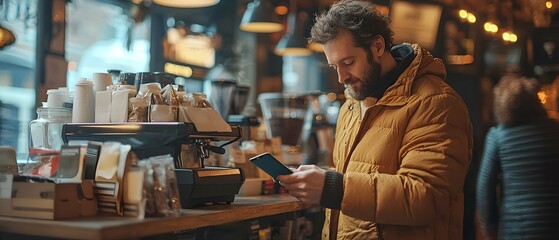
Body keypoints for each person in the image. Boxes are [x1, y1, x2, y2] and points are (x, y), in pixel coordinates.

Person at [276, 0, 473, 239]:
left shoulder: (436, 102)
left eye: (348, 63)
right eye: (334, 66)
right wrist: (319, 178)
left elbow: (427, 196)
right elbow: (360, 173)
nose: (341, 78)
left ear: (378, 46)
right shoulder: (352, 104)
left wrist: (333, 188)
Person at [476, 76, 559, 240]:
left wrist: (489, 229)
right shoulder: (556, 130)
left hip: (516, 229)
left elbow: (485, 188)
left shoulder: (497, 137)